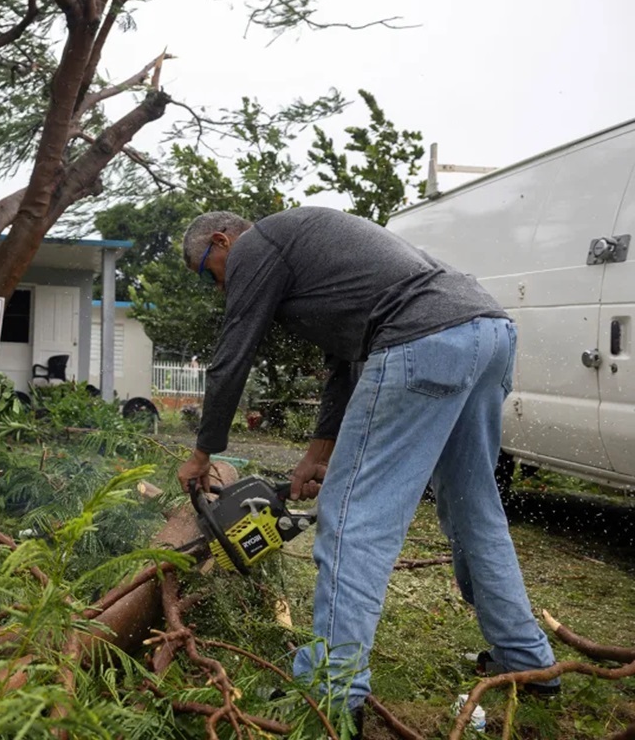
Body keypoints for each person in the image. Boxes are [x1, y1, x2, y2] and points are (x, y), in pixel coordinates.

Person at [174, 208, 558, 734]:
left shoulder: (257, 246)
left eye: (208, 272)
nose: (219, 287)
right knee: (475, 509)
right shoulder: (311, 252)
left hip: (423, 339)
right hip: (486, 331)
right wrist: (317, 452)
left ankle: (332, 687)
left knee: (353, 519)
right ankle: (528, 660)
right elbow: (345, 361)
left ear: (222, 241)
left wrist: (203, 451)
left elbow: (231, 354)